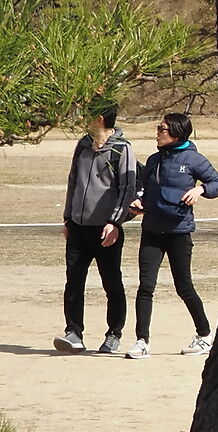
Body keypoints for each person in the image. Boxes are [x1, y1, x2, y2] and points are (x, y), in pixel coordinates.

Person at [124, 110, 218, 360]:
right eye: (158, 128)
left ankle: (204, 335)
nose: (157, 133)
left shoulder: (194, 159)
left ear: (177, 133)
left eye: (162, 129)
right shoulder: (154, 160)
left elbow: (217, 183)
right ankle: (141, 341)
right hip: (152, 231)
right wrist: (139, 203)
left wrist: (200, 190)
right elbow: (147, 191)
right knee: (145, 286)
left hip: (179, 232)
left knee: (184, 286)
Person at [54, 101, 137, 354]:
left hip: (106, 230)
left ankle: (114, 334)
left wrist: (115, 222)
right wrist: (68, 217)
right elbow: (73, 182)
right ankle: (73, 332)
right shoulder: (82, 145)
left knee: (111, 283)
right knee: (74, 281)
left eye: (88, 114)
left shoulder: (122, 149)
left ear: (100, 118)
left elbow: (127, 189)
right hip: (78, 227)